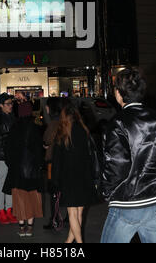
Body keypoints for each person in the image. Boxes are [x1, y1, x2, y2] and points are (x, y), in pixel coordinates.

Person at [100, 67, 156, 243]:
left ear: (119, 94)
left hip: (128, 204)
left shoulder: (118, 123)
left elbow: (116, 165)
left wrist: (106, 192)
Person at [51, 99, 97, 243]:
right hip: (84, 176)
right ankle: (68, 242)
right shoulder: (84, 131)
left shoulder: (62, 134)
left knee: (72, 213)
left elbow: (57, 162)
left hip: (68, 178)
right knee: (79, 213)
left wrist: (55, 182)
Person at [3, 103, 44, 238]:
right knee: (32, 197)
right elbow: (39, 151)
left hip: (17, 170)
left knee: (19, 198)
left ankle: (21, 227)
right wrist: (38, 165)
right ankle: (30, 227)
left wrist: (12, 165)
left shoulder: (14, 128)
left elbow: (7, 150)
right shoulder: (35, 128)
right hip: (32, 171)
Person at [0, 93, 18, 224]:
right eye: (8, 104)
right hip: (1, 154)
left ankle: (9, 210)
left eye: (11, 103)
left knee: (11, 184)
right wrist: (5, 136)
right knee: (2, 183)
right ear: (1, 105)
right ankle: (1, 210)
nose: (11, 106)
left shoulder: (13, 118)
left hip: (12, 154)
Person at [42, 97, 64, 230]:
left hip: (53, 163)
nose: (46, 109)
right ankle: (64, 216)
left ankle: (54, 218)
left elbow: (46, 141)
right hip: (63, 162)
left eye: (47, 107)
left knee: (53, 191)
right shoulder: (64, 122)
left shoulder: (53, 124)